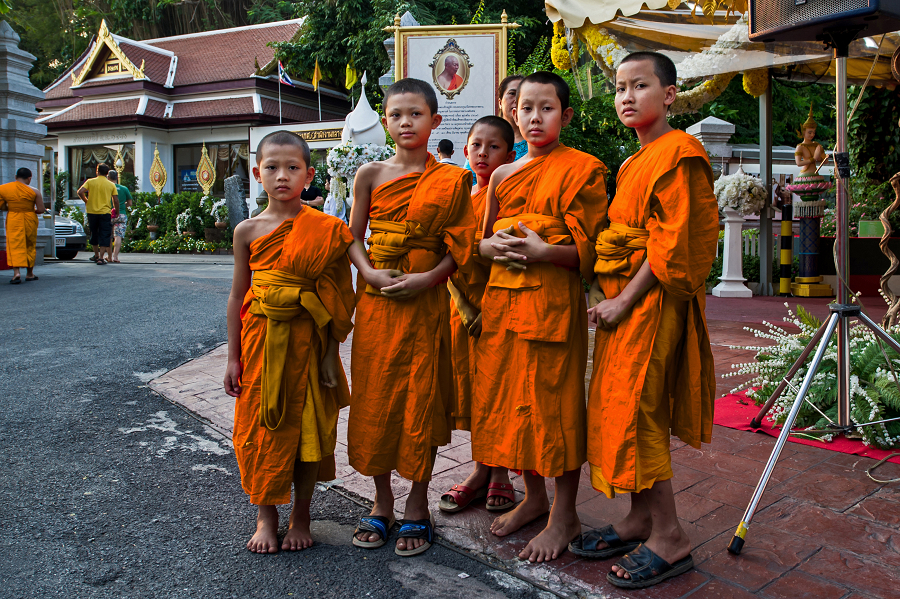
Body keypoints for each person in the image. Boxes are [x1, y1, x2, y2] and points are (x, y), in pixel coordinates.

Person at [575, 52, 718, 589]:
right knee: (620, 406)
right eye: (620, 87)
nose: (627, 96)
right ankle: (639, 518)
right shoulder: (638, 158)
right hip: (626, 302)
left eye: (641, 85)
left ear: (671, 95)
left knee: (639, 413)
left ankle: (670, 536)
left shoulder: (679, 152)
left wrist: (623, 300)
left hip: (649, 305)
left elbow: (672, 243)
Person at [473, 71, 608, 563]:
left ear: (565, 115)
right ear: (514, 113)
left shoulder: (585, 169)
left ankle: (565, 513)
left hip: (552, 305)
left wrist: (545, 250)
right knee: (512, 404)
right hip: (503, 306)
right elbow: (481, 243)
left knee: (555, 407)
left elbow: (590, 253)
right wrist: (493, 247)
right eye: (526, 108)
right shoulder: (504, 175)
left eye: (546, 108)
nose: (534, 117)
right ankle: (535, 498)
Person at [347, 78, 476, 557]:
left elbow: (458, 248)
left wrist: (428, 280)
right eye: (397, 114)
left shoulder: (451, 179)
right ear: (384, 121)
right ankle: (382, 503)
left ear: (435, 122)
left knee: (421, 399)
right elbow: (352, 238)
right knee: (376, 398)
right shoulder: (370, 175)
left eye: (416, 114)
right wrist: (369, 274)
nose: (406, 122)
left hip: (424, 306)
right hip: (378, 306)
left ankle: (417, 505)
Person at [223, 130, 356, 554]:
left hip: (310, 343)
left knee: (308, 431)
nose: (282, 176)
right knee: (260, 428)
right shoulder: (247, 230)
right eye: (272, 167)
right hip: (261, 341)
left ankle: (301, 514)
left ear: (309, 175)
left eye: (293, 168)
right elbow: (237, 296)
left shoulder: (326, 228)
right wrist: (232, 356)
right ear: (257, 173)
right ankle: (266, 516)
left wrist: (332, 353)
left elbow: (339, 292)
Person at [439, 115, 518, 515]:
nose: (483, 153)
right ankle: (480, 470)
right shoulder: (458, 194)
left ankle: (500, 472)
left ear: (509, 152)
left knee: (498, 389)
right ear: (465, 150)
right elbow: (445, 251)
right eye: (476, 145)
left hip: (503, 305)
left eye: (494, 146)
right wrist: (464, 305)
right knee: (473, 388)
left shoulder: (513, 192)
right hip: (462, 306)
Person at [464, 75, 527, 174]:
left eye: (522, 94)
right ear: (500, 102)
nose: (517, 99)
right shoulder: (482, 139)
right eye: (512, 93)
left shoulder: (535, 145)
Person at [0, 167, 44, 284]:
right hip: (29, 218)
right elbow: (41, 209)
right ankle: (29, 274)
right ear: (29, 178)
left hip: (13, 218)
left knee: (14, 244)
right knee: (29, 244)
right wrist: (29, 210)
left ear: (15, 177)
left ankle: (16, 273)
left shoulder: (4, 189)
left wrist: (12, 208)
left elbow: (1, 206)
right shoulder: (34, 191)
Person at [77, 163, 118, 265]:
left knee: (94, 233)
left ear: (97, 171)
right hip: (105, 212)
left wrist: (87, 201)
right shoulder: (111, 184)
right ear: (107, 173)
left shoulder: (90, 182)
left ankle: (96, 255)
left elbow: (80, 192)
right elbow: (115, 200)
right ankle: (101, 257)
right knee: (105, 234)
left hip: (92, 211)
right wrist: (116, 211)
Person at [106, 169, 132, 263]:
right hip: (121, 214)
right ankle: (115, 256)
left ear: (108, 177)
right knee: (118, 236)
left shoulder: (106, 188)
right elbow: (130, 203)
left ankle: (109, 257)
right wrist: (122, 206)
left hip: (108, 213)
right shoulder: (124, 188)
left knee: (108, 235)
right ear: (117, 177)